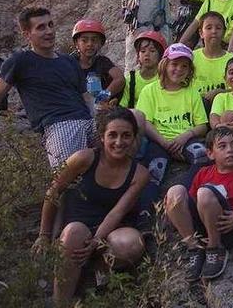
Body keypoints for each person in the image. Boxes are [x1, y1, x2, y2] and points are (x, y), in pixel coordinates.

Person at [0, 8, 94, 168]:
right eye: (41, 27)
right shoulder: (20, 61)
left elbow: (86, 96)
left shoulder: (69, 61)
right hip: (59, 125)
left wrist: (100, 118)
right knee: (69, 180)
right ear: (27, 34)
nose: (49, 31)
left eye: (50, 25)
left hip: (88, 121)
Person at [33, 108, 148, 307]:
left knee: (131, 243)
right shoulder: (83, 159)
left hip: (111, 231)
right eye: (112, 135)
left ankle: (93, 269)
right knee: (74, 232)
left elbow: (118, 211)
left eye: (126, 135)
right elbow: (53, 192)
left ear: (133, 138)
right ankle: (61, 301)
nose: (119, 142)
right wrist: (44, 235)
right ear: (102, 137)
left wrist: (96, 241)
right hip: (76, 228)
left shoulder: (140, 174)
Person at [165, 127, 233, 281]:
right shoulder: (203, 173)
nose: (230, 150)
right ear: (210, 153)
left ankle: (215, 249)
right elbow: (190, 204)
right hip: (203, 227)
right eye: (222, 146)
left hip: (228, 229)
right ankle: (194, 248)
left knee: (205, 193)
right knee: (175, 191)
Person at [133, 43, 210, 215]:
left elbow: (202, 126)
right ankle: (144, 216)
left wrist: (184, 137)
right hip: (158, 140)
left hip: (185, 139)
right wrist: (164, 142)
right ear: (165, 64)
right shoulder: (150, 90)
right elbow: (145, 122)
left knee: (202, 155)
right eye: (174, 64)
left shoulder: (191, 92)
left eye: (184, 66)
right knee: (153, 171)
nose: (179, 69)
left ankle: (182, 192)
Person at [70, 19, 125, 106]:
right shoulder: (69, 62)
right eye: (84, 40)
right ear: (76, 43)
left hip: (97, 106)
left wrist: (103, 97)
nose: (89, 44)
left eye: (94, 40)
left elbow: (119, 79)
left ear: (100, 43)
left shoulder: (102, 62)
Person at [191, 12, 233, 104]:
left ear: (224, 33)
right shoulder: (192, 57)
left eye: (218, 28)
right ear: (201, 33)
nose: (214, 31)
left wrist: (220, 93)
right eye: (209, 28)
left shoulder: (232, 60)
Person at [119, 30, 166, 109]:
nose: (147, 54)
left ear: (160, 55)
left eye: (152, 51)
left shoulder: (164, 78)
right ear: (138, 55)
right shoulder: (131, 79)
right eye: (143, 51)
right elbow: (123, 106)